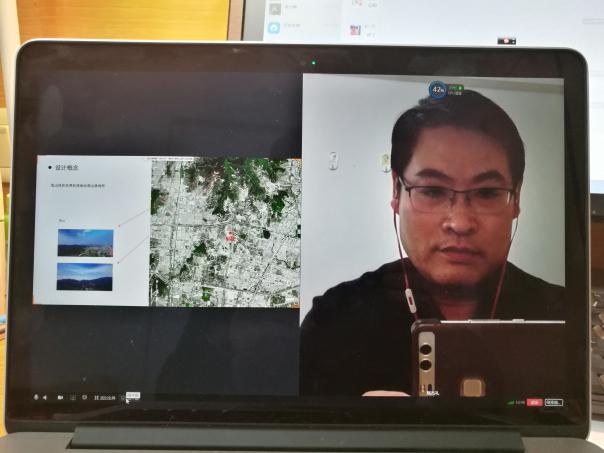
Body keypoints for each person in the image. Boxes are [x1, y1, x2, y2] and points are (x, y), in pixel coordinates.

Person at [299, 89, 564, 396]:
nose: (460, 223)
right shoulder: (334, 320)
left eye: (487, 193)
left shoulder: (563, 314)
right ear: (396, 192)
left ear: (516, 198)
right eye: (433, 191)